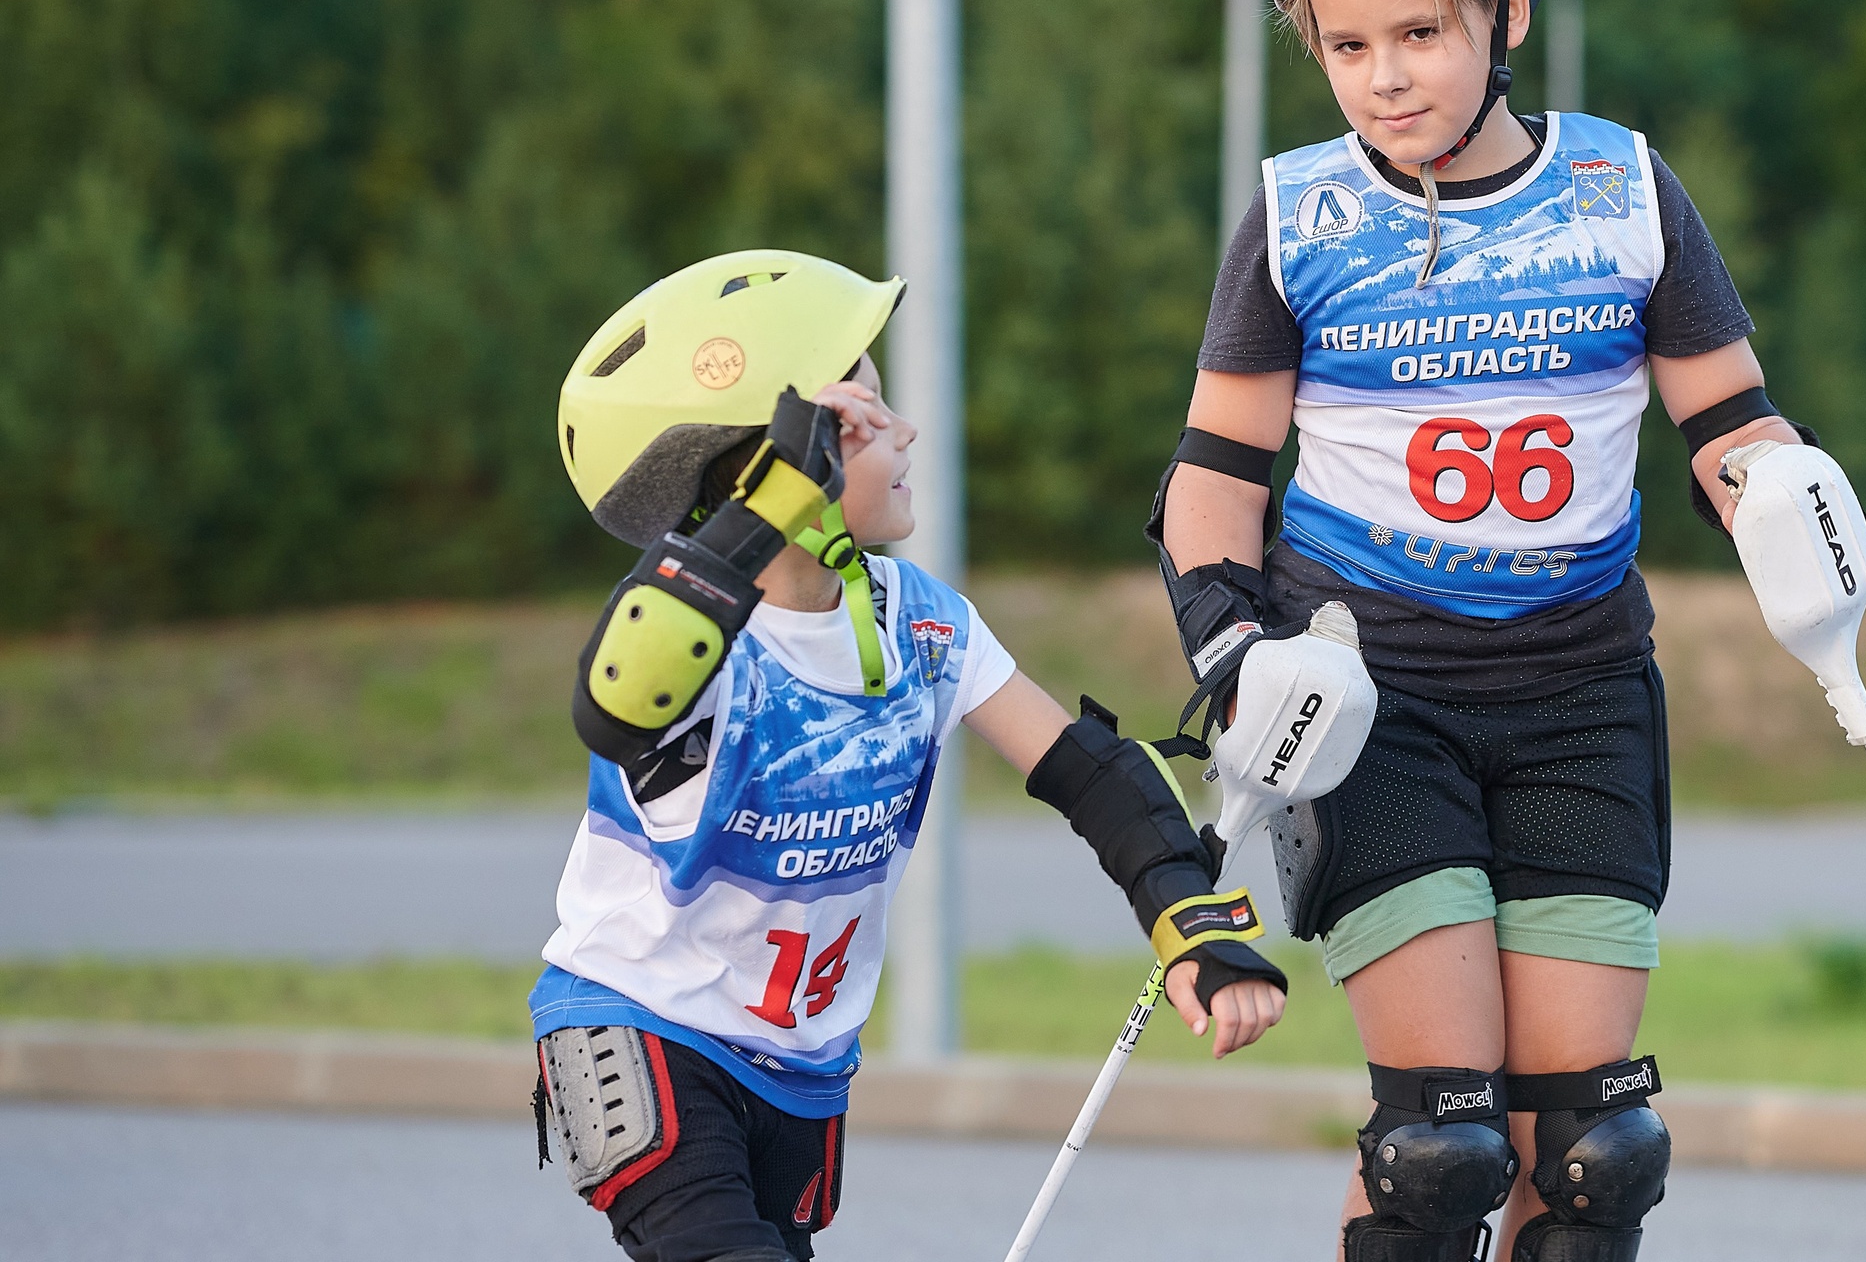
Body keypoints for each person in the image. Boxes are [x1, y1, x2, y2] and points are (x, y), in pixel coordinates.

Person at [1149, 0, 1839, 1262]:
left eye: (1420, 32)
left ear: (1509, 8)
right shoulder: (1298, 216)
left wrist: (1789, 504)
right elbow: (1213, 480)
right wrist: (1231, 649)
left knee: (1591, 1155)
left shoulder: (1623, 191)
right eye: (1346, 48)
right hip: (1374, 704)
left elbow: (1729, 421)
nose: (1385, 76)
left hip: (1580, 697)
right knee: (1440, 1151)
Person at [530, 248, 1300, 1262]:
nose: (905, 431)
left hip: (800, 1065)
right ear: (770, 462)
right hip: (642, 1028)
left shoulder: (921, 623)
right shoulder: (690, 642)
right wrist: (761, 513)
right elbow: (615, 706)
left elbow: (1089, 773)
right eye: (862, 416)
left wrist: (1191, 922)